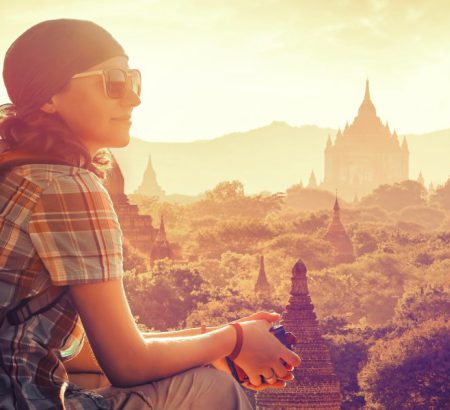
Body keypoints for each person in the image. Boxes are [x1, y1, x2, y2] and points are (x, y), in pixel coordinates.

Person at [0, 19, 301, 409]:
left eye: (133, 80)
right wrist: (234, 339)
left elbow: (89, 354)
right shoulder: (67, 187)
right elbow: (127, 363)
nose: (133, 98)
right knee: (214, 389)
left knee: (196, 371)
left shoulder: (17, 173)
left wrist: (223, 339)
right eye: (113, 82)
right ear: (48, 97)